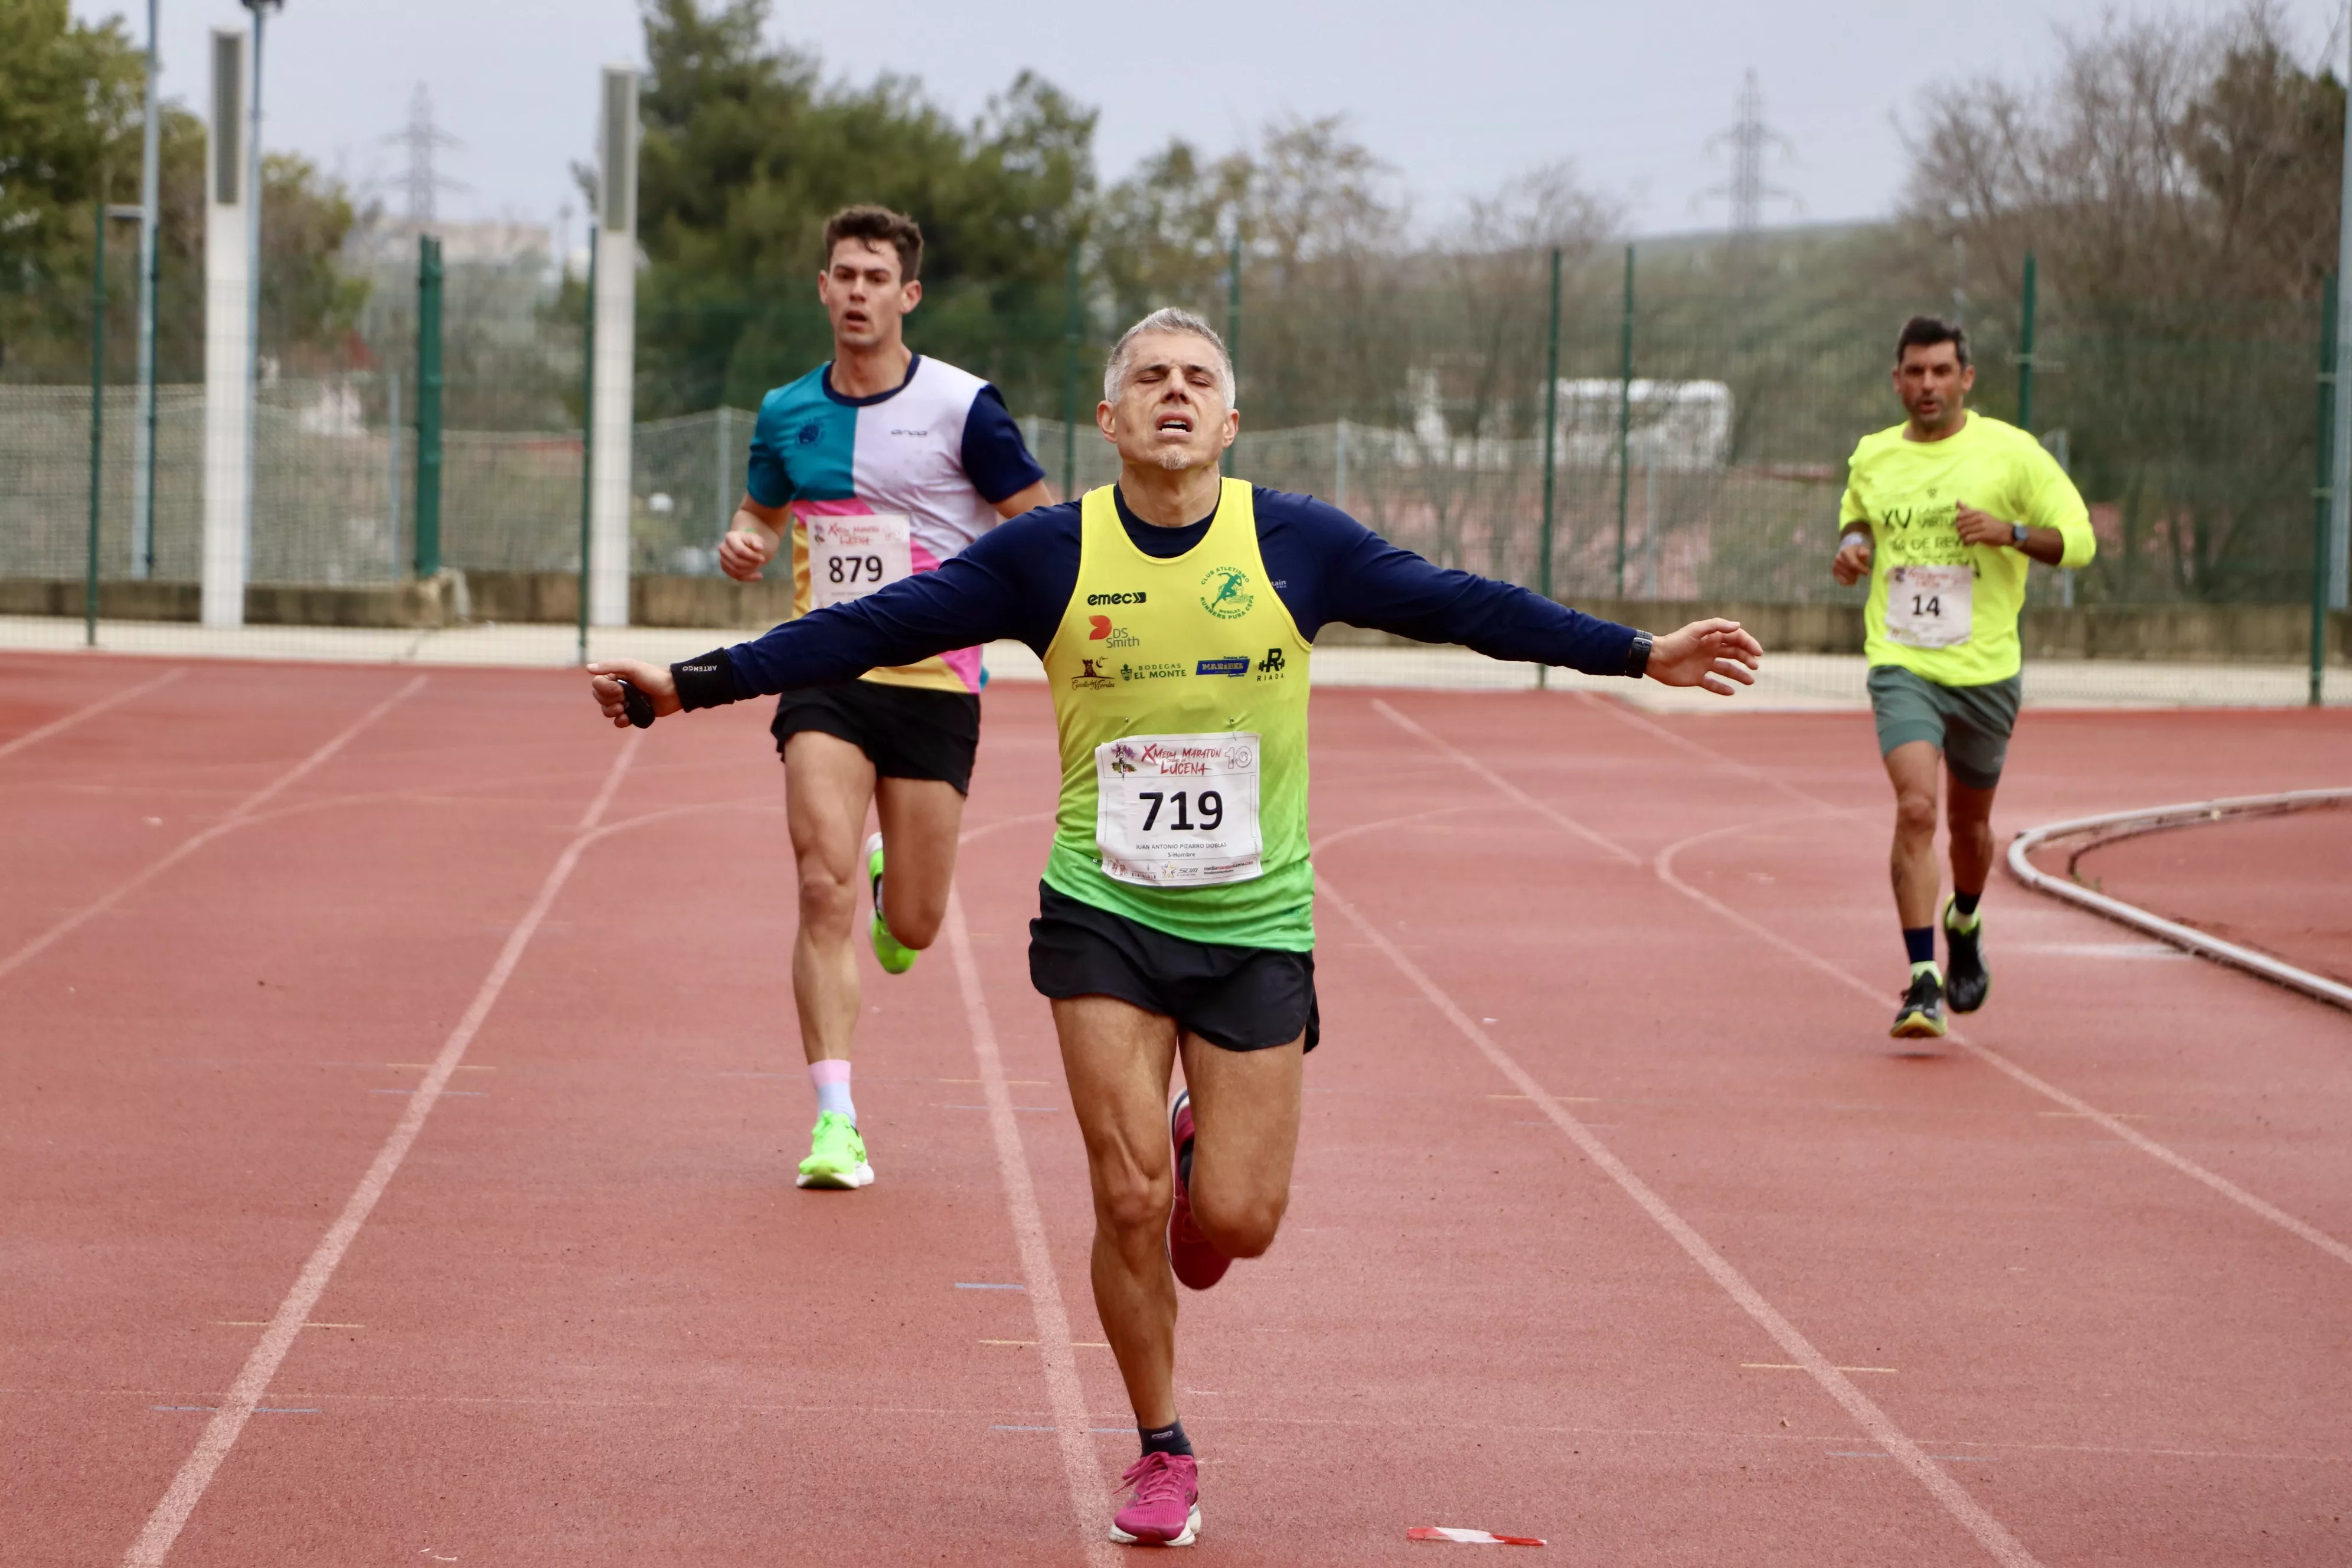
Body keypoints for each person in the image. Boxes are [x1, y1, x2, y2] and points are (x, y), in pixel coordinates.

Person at [590, 308, 1762, 1546]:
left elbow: (1463, 602)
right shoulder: (1050, 552)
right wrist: (697, 678)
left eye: (1199, 378)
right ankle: (1161, 1443)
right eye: (1148, 377)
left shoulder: (1296, 542)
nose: (1174, 392)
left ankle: (1211, 1149)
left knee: (1237, 1222)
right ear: (1109, 420)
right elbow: (870, 628)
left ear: (1230, 418)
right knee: (1127, 1190)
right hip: (1105, 909)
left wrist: (1640, 652)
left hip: (1256, 919)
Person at [720, 205, 1051, 1190]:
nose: (857, 291)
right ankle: (835, 1121)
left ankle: (888, 888)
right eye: (843, 275)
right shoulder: (786, 411)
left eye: (876, 277)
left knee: (911, 923)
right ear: (821, 288)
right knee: (816, 880)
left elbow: (1040, 527)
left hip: (935, 680)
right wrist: (745, 541)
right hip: (822, 670)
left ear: (907, 295)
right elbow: (760, 509)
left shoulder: (963, 408)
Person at [1832, 315, 2095, 1039]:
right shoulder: (1874, 456)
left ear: (1966, 379)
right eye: (1915, 372)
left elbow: (2080, 543)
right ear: (1897, 379)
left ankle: (1966, 919)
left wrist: (2009, 532)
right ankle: (1923, 981)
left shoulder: (2012, 455)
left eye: (1941, 371)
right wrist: (1853, 549)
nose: (1927, 385)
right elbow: (1859, 522)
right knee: (1916, 808)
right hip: (1902, 660)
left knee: (1969, 826)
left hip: (1986, 669)